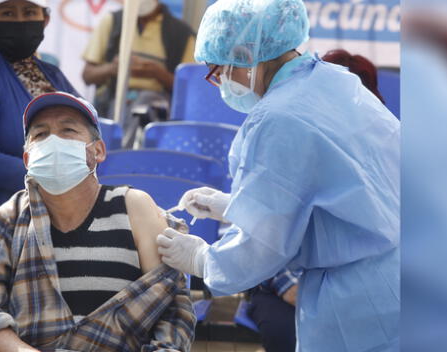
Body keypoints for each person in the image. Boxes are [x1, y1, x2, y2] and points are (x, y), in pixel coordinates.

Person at [156, 1, 400, 351]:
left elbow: (263, 247)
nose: (220, 82)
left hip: (360, 300)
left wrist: (203, 259)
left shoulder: (277, 118)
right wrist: (235, 207)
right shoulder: (337, 83)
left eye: (217, 70)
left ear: (244, 54)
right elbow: (346, 190)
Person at [0, 91, 195, 352]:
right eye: (40, 134)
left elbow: (173, 309)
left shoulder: (134, 207)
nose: (53, 141)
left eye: (68, 130)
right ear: (27, 159)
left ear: (98, 151)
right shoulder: (11, 217)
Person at [246, 48, 391, 352]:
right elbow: (256, 235)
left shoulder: (387, 149)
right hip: (287, 285)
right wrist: (288, 285)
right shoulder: (285, 134)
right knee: (284, 332)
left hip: (371, 288)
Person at [0, 0, 78, 270]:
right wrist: (48, 175)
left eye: (29, 12)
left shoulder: (51, 75)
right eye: (8, 13)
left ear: (45, 20)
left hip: (54, 218)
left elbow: (88, 131)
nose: (20, 21)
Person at [81, 0, 196, 147]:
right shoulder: (112, 23)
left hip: (156, 105)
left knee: (143, 104)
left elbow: (190, 89)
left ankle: (122, 154)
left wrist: (158, 73)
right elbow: (88, 75)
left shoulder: (181, 34)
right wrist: (114, 68)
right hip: (112, 100)